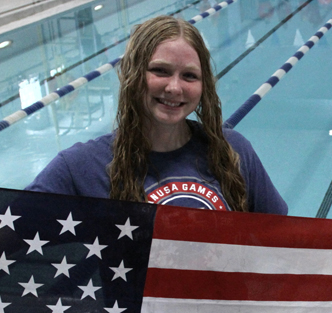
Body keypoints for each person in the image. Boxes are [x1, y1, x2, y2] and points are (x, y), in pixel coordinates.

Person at [27, 16, 287, 215]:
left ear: (203, 85)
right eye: (160, 71)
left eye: (189, 76)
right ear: (131, 75)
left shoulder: (233, 150)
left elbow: (281, 240)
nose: (174, 88)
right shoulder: (81, 166)